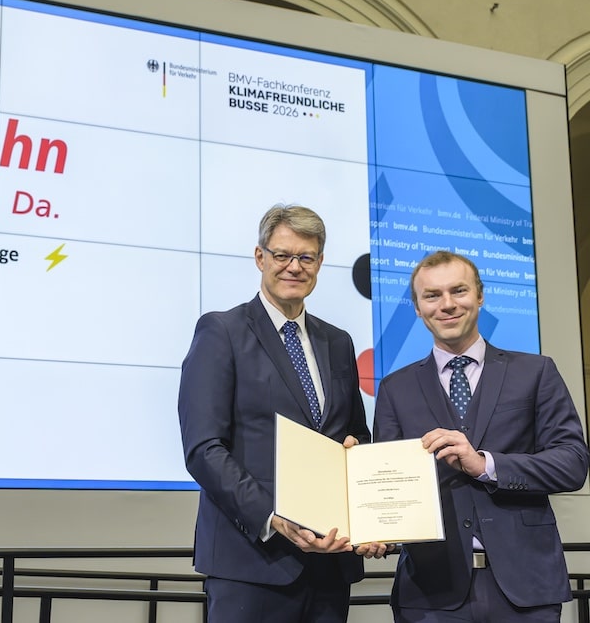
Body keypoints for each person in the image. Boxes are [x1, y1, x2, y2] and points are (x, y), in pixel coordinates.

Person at [177, 204, 373, 622]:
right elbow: (204, 448)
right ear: (260, 256)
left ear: (320, 262)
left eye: (306, 257)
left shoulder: (338, 342)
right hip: (250, 563)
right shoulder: (221, 332)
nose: (294, 267)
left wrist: (359, 454)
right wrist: (274, 517)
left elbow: (356, 432)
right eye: (282, 255)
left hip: (329, 564)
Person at [372, 250, 589, 622]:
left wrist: (485, 464)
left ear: (480, 295)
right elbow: (387, 484)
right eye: (432, 295)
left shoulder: (536, 372)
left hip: (525, 589)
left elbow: (572, 463)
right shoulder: (395, 388)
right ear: (417, 308)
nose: (447, 305)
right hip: (430, 594)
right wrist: (378, 530)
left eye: (459, 291)